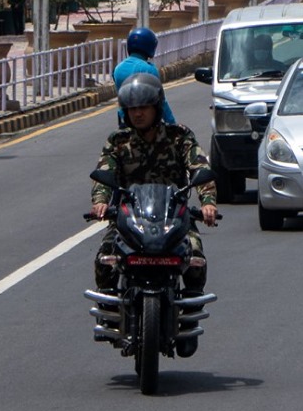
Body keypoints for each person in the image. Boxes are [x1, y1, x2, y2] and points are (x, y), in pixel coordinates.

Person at [88, 72, 219, 333]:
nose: (138, 114)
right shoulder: (118, 142)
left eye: (144, 107)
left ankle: (190, 313)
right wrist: (101, 202)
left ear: (156, 108)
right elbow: (105, 172)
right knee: (105, 257)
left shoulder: (179, 137)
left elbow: (198, 167)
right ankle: (110, 309)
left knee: (195, 257)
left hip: (173, 216)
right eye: (133, 109)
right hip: (130, 217)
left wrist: (208, 203)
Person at [108, 27, 175, 124]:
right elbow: (161, 101)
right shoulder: (149, 69)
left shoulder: (117, 69)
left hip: (125, 118)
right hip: (145, 119)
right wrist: (172, 123)